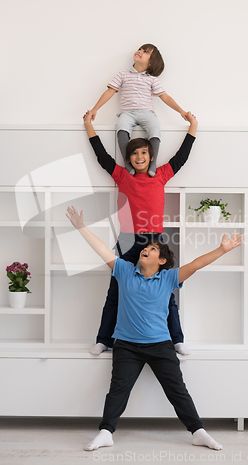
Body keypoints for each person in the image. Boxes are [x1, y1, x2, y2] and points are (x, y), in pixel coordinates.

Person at [66, 206, 242, 451]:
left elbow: (196, 264)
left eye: (152, 249)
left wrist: (222, 250)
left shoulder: (169, 278)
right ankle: (106, 432)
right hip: (126, 346)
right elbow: (102, 250)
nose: (145, 250)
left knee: (177, 390)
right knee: (117, 390)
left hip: (160, 345)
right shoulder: (125, 271)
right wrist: (80, 227)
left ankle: (198, 431)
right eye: (145, 248)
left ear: (161, 261)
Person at [83, 110, 197, 356]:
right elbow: (102, 156)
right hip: (126, 241)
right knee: (115, 292)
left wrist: (193, 127)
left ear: (151, 156)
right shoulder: (122, 176)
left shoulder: (162, 175)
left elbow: (182, 157)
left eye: (144, 152)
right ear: (129, 158)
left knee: (166, 293)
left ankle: (177, 339)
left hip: (155, 240)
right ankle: (104, 340)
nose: (139, 156)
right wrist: (89, 127)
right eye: (134, 153)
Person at [89, 44, 188, 176]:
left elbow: (165, 97)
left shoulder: (152, 79)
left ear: (151, 61)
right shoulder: (123, 74)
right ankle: (128, 163)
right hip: (127, 113)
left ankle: (152, 163)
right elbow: (110, 91)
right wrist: (95, 109)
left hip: (146, 112)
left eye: (145, 51)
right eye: (140, 49)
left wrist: (181, 111)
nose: (140, 51)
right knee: (121, 128)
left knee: (155, 128)